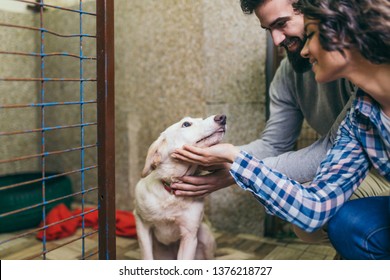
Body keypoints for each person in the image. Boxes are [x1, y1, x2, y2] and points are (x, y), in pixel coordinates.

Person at [171, 0, 390, 260]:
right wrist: (235, 161)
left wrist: (236, 168)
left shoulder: (360, 83)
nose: (277, 41)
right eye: (268, 30)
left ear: (341, 28)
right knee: (342, 221)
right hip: (353, 172)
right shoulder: (360, 117)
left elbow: (326, 149)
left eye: (309, 33)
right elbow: (313, 206)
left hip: (376, 176)